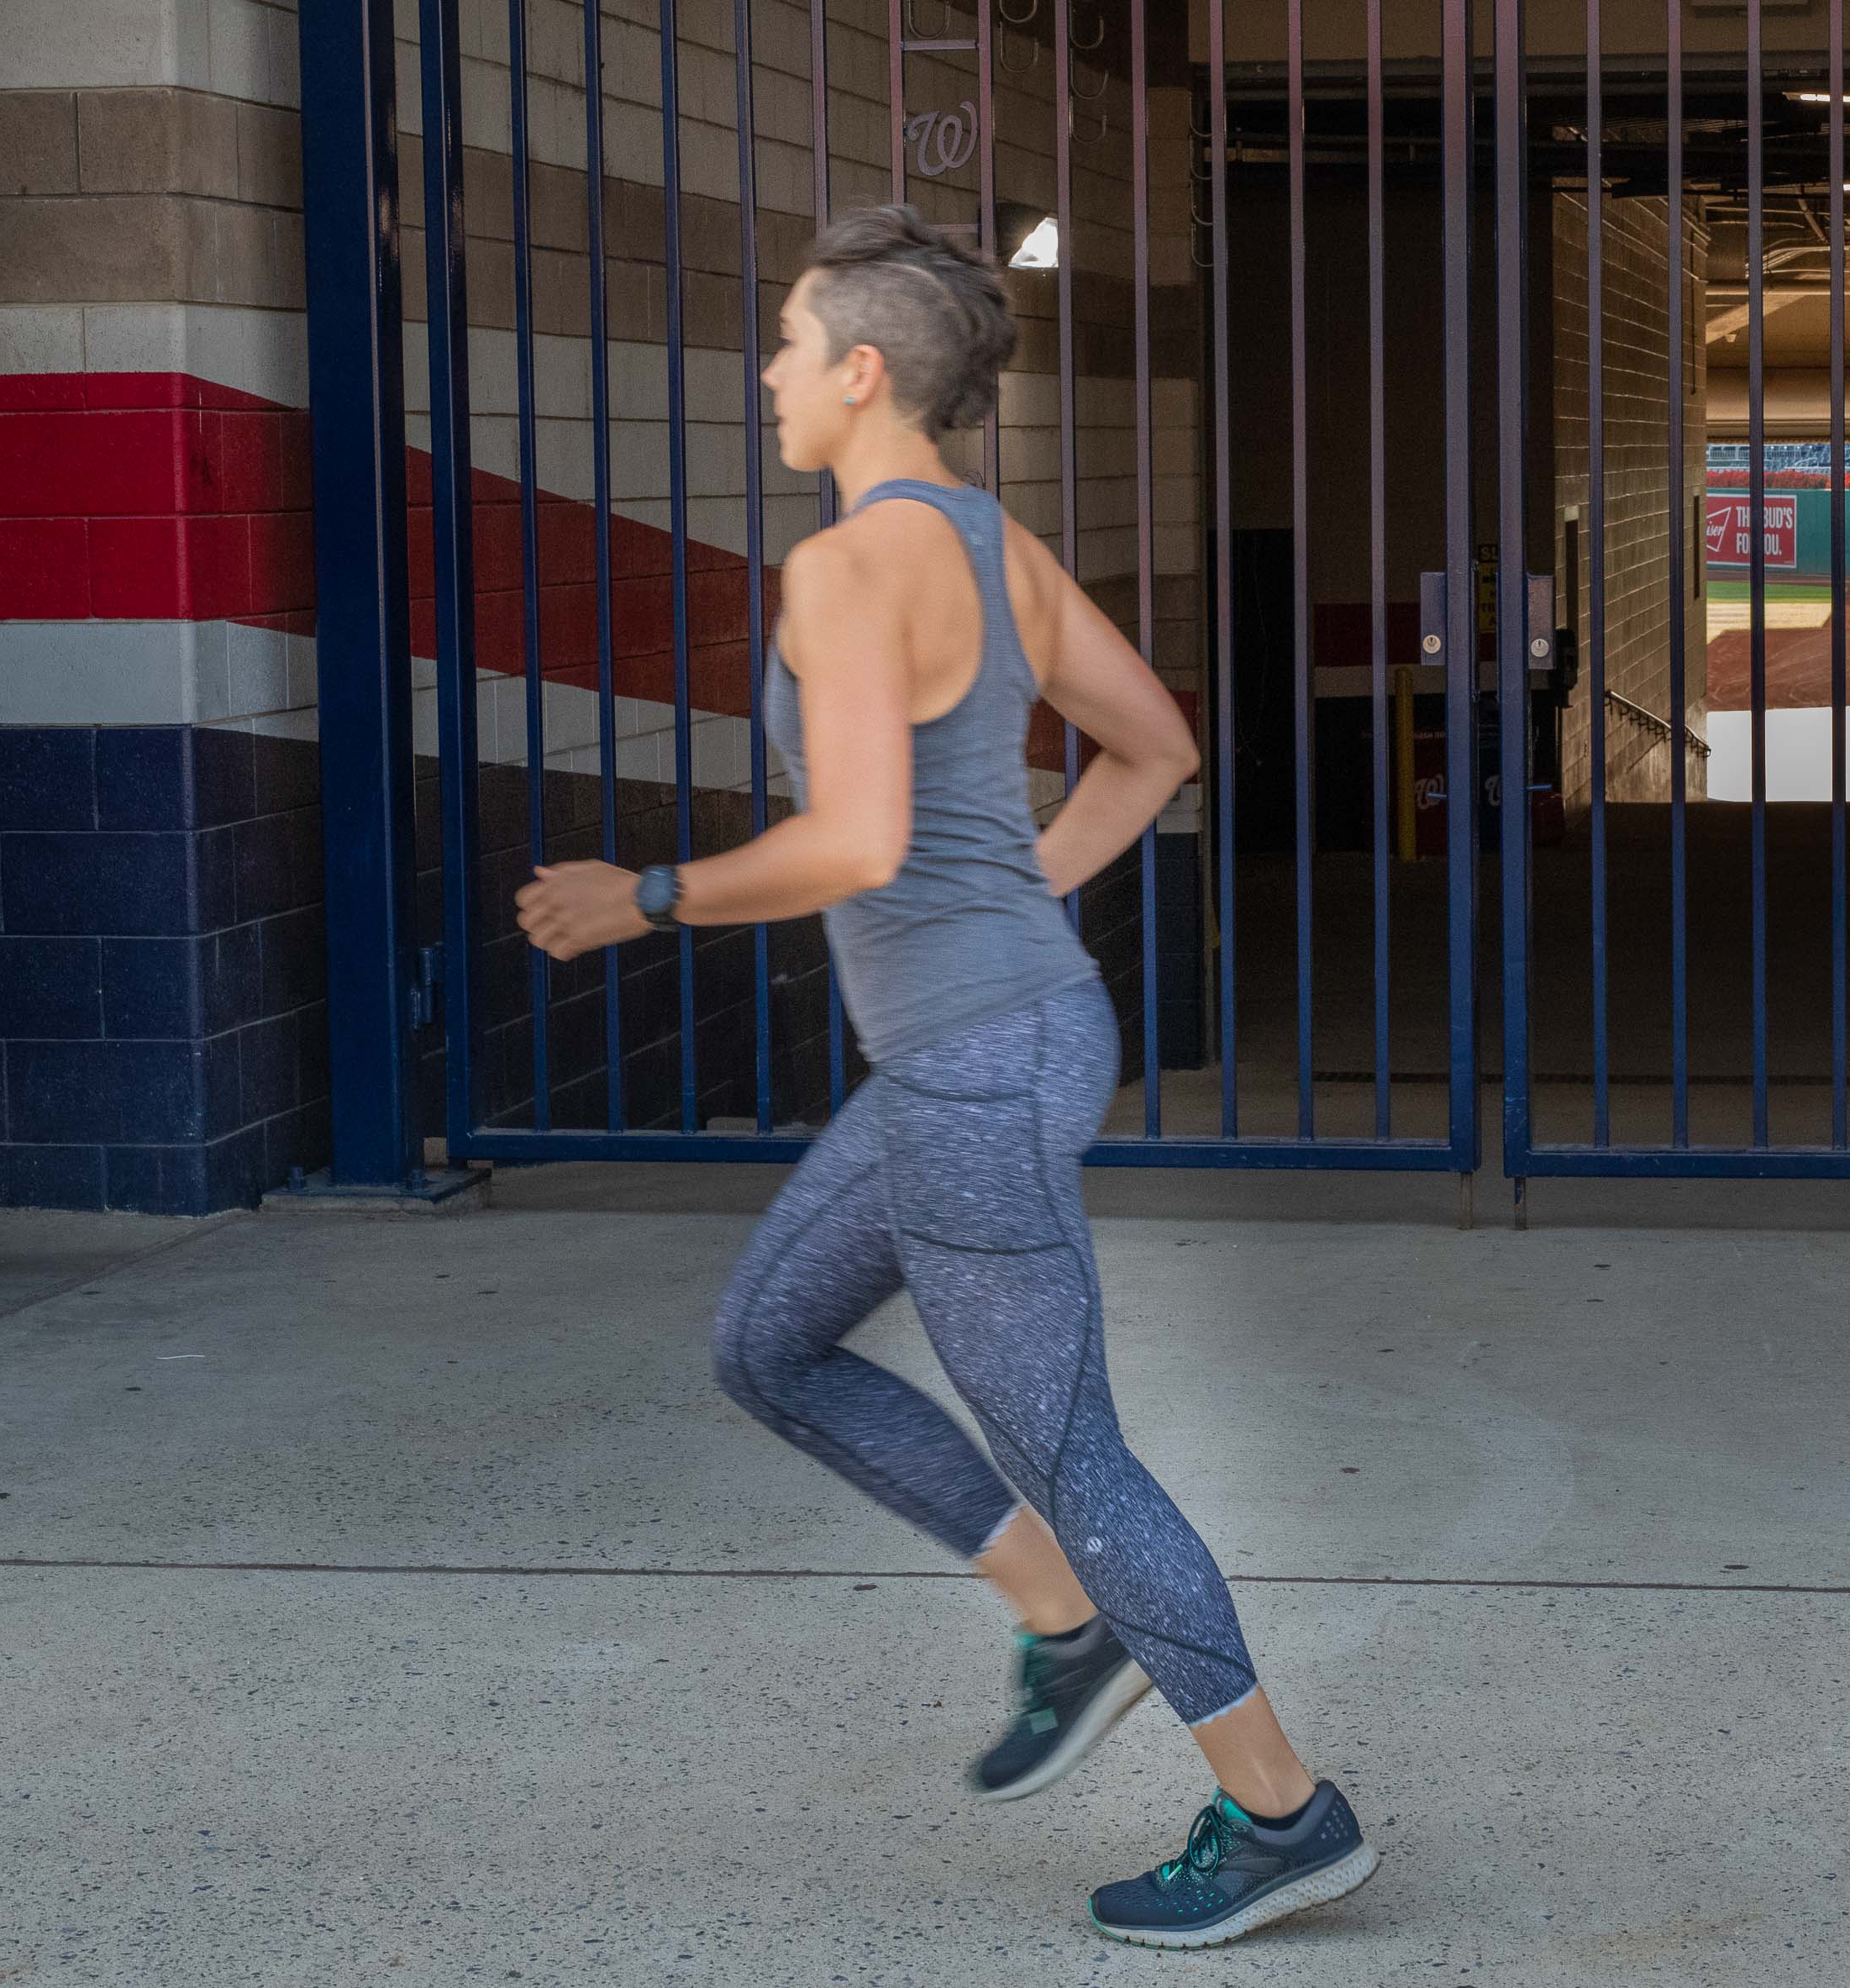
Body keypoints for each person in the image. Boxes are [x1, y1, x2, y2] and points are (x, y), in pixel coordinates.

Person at [514, 203, 1374, 1950]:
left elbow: (855, 836)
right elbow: (1163, 747)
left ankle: (1282, 1807)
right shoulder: (995, 545)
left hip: (976, 1068)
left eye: (785, 341)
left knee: (1076, 1451)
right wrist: (1025, 889)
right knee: (766, 1344)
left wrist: (647, 895)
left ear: (859, 369)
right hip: (998, 1036)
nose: (764, 372)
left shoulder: (843, 568)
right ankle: (1066, 1625)